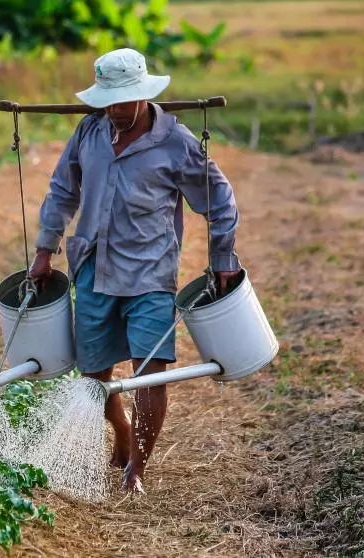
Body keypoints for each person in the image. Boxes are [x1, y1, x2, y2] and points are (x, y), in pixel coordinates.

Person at [28, 48, 241, 494]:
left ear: (144, 96)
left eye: (124, 102)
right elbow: (62, 191)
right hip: (92, 268)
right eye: (108, 102)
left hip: (150, 275)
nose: (116, 111)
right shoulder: (89, 131)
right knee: (94, 377)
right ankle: (122, 432)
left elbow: (219, 201)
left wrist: (222, 258)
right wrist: (45, 250)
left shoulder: (176, 143)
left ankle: (135, 471)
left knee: (151, 371)